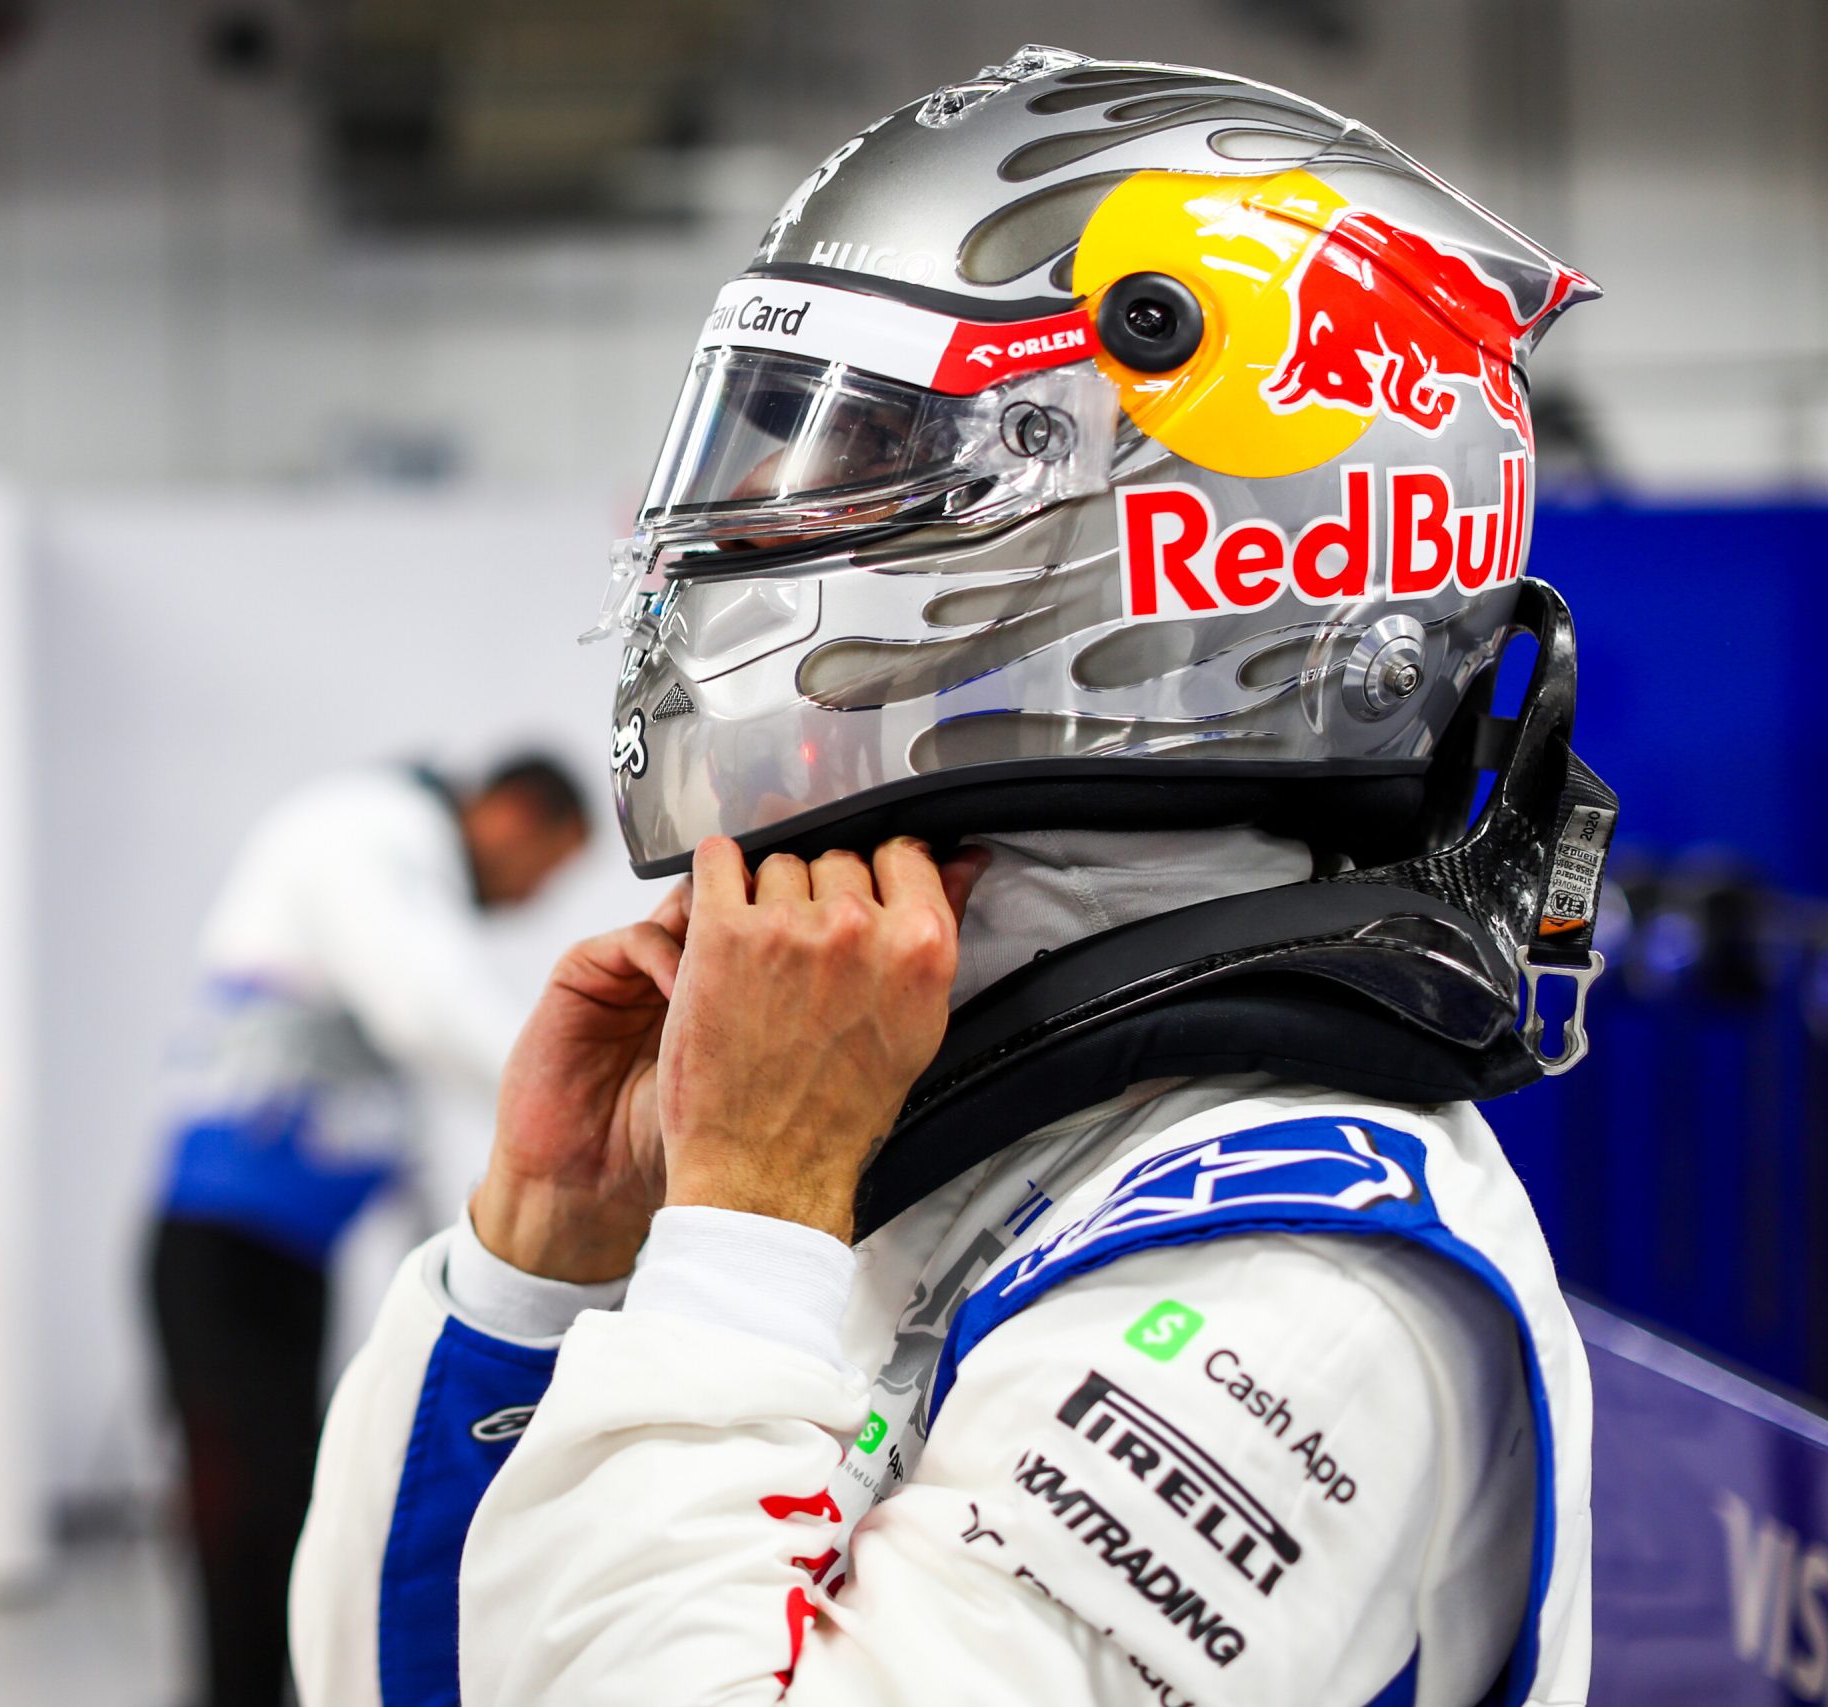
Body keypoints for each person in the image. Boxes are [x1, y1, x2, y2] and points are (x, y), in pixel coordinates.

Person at [292, 46, 1611, 1706]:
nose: (747, 511)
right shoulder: (946, 1110)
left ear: (1149, 511)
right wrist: (545, 1255)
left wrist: (748, 1224)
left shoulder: (1290, 1283)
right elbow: (386, 1676)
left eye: (853, 442)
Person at [148, 753, 590, 1707]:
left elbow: (421, 1109)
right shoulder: (372, 831)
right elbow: (429, 1009)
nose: (528, 900)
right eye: (543, 872)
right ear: (513, 816)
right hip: (220, 1259)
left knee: (279, 1522)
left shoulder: (392, 864)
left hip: (281, 1260)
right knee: (242, 1532)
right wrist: (586, 1093)